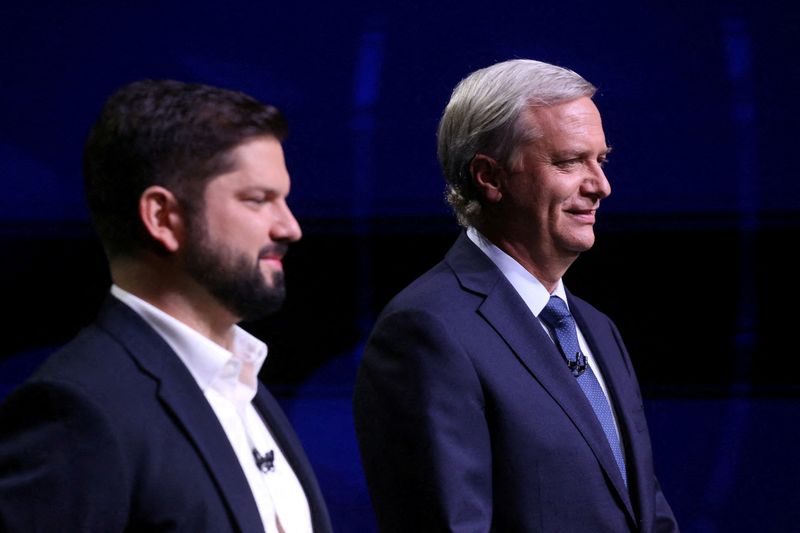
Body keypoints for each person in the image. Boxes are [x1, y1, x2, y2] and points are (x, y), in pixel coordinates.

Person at [353, 59, 679, 532]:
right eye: (569, 162)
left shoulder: (598, 329)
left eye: (600, 160)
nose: (601, 186)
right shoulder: (427, 331)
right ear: (490, 177)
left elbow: (646, 511)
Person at [0, 80, 333, 532]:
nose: (289, 227)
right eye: (258, 200)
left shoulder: (241, 383)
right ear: (161, 217)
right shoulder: (75, 411)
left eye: (284, 199)